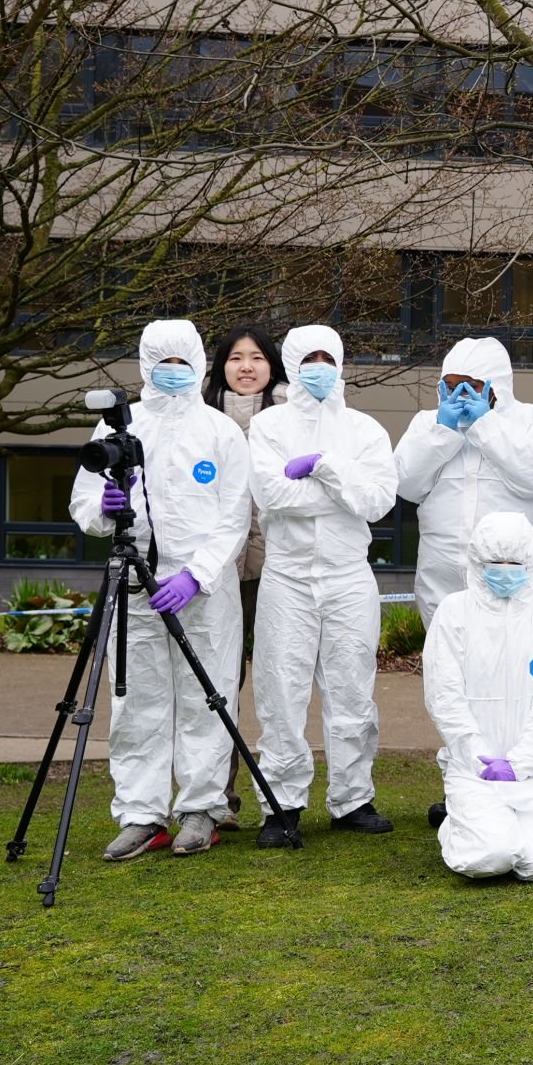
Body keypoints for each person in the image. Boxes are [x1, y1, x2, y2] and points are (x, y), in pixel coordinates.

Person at [69, 320, 252, 861]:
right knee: (136, 701)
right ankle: (141, 813)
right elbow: (84, 505)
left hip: (203, 589)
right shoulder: (116, 431)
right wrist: (103, 513)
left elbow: (234, 513)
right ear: (145, 365)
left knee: (207, 696)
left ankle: (200, 808)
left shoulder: (220, 432)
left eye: (182, 362)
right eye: (162, 362)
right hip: (133, 585)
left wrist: (197, 573)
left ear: (199, 363)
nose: (173, 373)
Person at [245, 325, 400, 845]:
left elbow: (380, 502)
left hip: (348, 574)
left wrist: (324, 467)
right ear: (291, 363)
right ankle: (281, 804)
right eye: (307, 358)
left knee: (353, 687)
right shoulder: (267, 425)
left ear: (340, 363)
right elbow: (271, 495)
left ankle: (352, 798)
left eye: (326, 357)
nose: (318, 367)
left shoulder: (364, 430)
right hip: (286, 576)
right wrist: (343, 490)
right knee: (280, 691)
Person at [420, 511, 533, 882]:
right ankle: (458, 824)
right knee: (488, 858)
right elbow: (443, 694)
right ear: (477, 563)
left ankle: (513, 826)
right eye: (496, 563)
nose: (506, 570)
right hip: (474, 768)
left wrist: (523, 761)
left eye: (516, 563)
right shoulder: (455, 611)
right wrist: (477, 754)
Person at [394, 337, 533, 621]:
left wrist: (486, 426)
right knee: (446, 660)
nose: (458, 395)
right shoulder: (428, 423)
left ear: (496, 386)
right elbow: (405, 484)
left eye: (470, 387)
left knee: (513, 659)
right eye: (450, 386)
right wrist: (441, 434)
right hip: (441, 583)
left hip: (512, 579)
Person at [202, 325, 288, 826]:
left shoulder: (290, 418)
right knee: (217, 683)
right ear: (220, 366)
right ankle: (218, 795)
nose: (247, 366)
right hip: (215, 572)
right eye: (236, 357)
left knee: (279, 681)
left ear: (272, 365)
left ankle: (280, 798)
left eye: (257, 357)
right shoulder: (201, 419)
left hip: (275, 569)